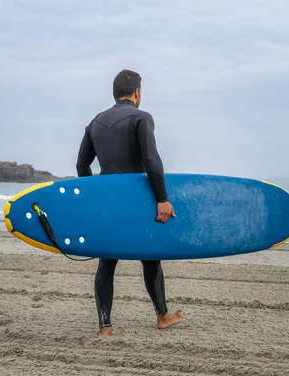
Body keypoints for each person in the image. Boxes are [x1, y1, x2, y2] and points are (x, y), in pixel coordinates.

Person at [76, 69, 183, 336]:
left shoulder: (95, 123)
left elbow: (82, 165)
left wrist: (94, 195)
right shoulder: (141, 117)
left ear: (115, 93)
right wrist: (162, 199)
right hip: (138, 202)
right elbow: (151, 160)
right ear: (137, 93)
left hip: (108, 205)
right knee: (150, 259)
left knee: (107, 262)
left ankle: (105, 326)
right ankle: (162, 316)